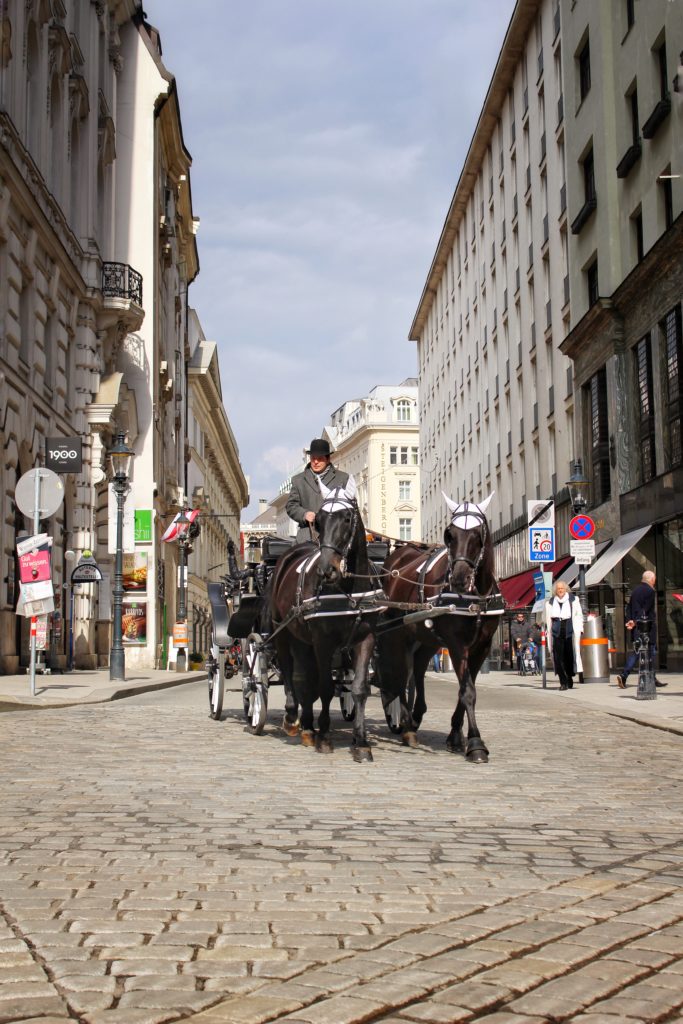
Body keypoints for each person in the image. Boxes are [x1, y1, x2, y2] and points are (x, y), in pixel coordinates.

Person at [286, 438, 349, 543]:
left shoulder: (343, 478)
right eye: (313, 458)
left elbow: (349, 507)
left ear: (328, 459)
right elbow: (291, 505)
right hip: (307, 538)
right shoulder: (298, 480)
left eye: (319, 458)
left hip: (335, 537)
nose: (315, 462)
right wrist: (304, 514)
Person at [616, 570, 666, 688]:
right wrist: (635, 621)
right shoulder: (650, 591)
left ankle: (648, 677)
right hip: (646, 628)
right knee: (650, 652)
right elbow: (645, 609)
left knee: (637, 652)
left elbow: (629, 608)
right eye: (654, 580)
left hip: (636, 628)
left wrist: (630, 620)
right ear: (652, 580)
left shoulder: (635, 591)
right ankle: (626, 675)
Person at [544, 580, 583, 690]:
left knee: (569, 657)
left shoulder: (573, 600)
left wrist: (580, 629)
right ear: (555, 591)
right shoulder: (550, 603)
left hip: (570, 632)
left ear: (566, 589)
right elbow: (547, 619)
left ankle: (569, 676)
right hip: (556, 633)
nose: (560, 590)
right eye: (558, 589)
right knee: (558, 658)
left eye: (562, 588)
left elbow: (579, 615)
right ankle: (563, 682)